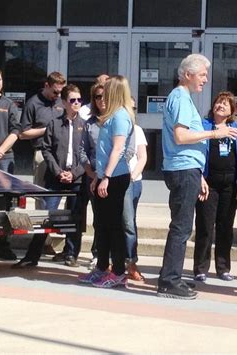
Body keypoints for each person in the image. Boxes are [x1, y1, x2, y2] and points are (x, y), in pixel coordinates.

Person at [158, 53, 237, 300]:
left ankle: (171, 278)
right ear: (187, 74)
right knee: (182, 228)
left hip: (187, 169)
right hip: (182, 169)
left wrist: (199, 174)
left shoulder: (183, 98)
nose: (205, 79)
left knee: (182, 227)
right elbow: (180, 137)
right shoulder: (181, 98)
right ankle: (169, 281)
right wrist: (215, 134)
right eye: (202, 74)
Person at [78, 75, 134, 288]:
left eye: (108, 89)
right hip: (105, 176)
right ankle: (102, 268)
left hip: (116, 177)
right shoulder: (110, 115)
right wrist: (98, 177)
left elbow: (118, 149)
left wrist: (107, 177)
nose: (104, 94)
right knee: (101, 225)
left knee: (113, 226)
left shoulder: (120, 115)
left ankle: (118, 271)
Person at [193, 91, 237, 282]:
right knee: (205, 226)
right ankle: (200, 268)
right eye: (218, 102)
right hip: (208, 184)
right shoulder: (203, 126)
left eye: (225, 104)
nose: (220, 105)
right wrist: (200, 178)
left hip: (230, 185)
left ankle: (223, 268)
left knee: (226, 226)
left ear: (232, 110)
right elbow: (196, 153)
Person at [13, 72, 66, 268]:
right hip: (42, 155)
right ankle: (43, 240)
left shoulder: (61, 103)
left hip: (61, 156)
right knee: (43, 200)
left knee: (59, 201)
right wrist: (48, 129)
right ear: (46, 85)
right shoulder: (33, 103)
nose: (56, 95)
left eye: (60, 92)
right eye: (54, 91)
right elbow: (23, 133)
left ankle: (54, 243)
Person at [41, 84, 86, 267]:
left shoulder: (85, 125)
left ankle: (71, 253)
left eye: (79, 100)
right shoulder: (54, 123)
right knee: (47, 215)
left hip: (77, 178)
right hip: (56, 177)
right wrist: (58, 172)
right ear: (64, 102)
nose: (76, 103)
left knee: (76, 216)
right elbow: (46, 150)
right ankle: (35, 252)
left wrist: (74, 173)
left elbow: (88, 154)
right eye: (72, 100)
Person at [79, 83, 104, 270]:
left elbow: (125, 151)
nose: (101, 100)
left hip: (115, 177)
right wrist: (90, 172)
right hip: (94, 176)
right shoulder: (89, 123)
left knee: (117, 220)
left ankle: (118, 258)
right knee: (99, 219)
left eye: (104, 96)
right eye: (97, 96)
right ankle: (99, 255)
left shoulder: (118, 120)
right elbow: (82, 150)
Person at [0, 68, 20, 260]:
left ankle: (3, 245)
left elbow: (15, 131)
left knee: (4, 204)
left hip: (4, 160)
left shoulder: (9, 104)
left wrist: (0, 151)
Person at [124, 97, 148, 281]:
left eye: (134, 108)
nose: (131, 111)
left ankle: (131, 262)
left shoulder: (137, 130)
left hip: (132, 182)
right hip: (113, 181)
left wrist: (131, 177)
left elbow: (142, 157)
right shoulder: (112, 126)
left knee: (129, 224)